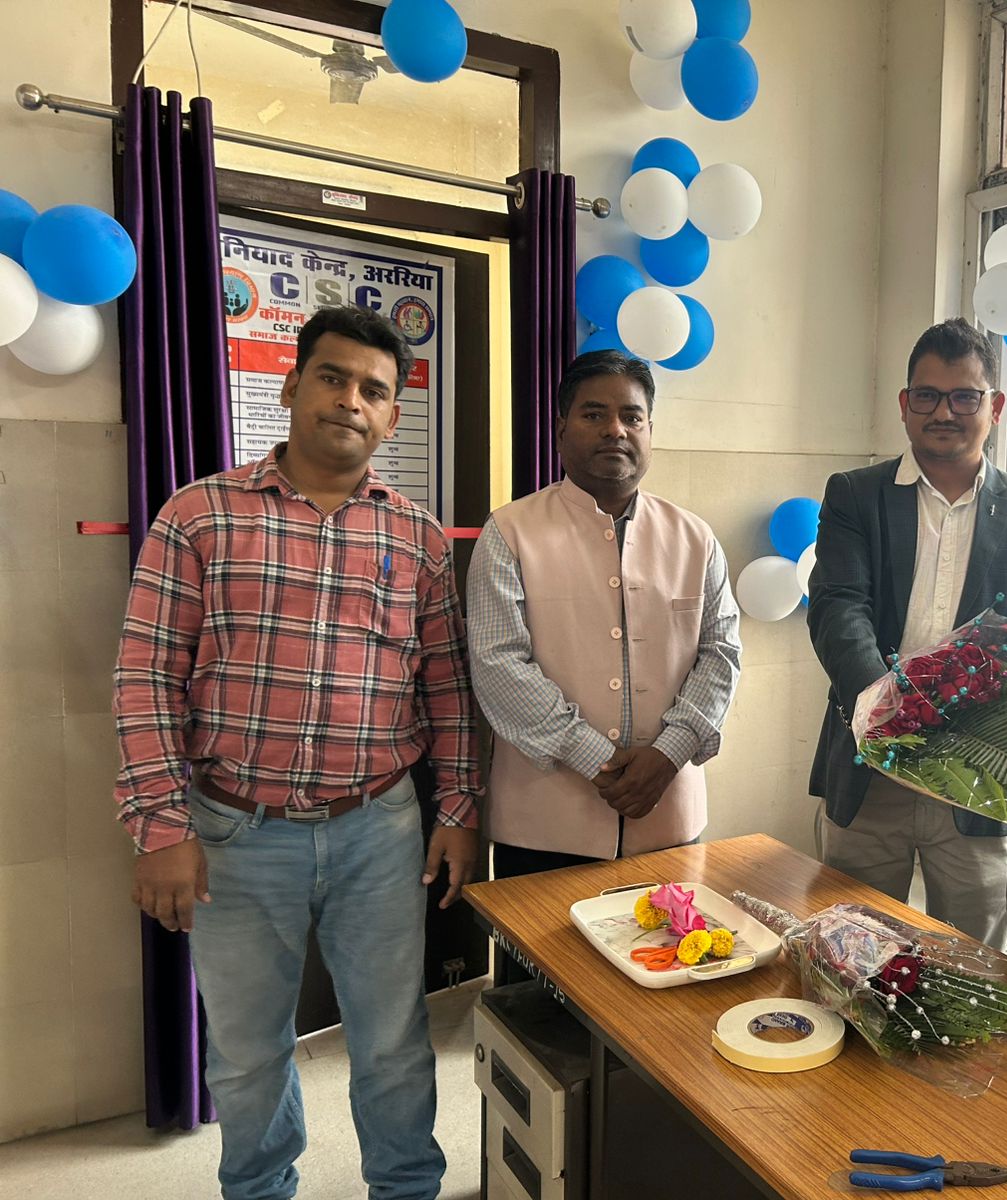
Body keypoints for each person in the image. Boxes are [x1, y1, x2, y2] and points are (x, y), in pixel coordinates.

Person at [114, 305, 481, 1200]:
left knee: (393, 1041)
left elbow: (446, 687)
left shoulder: (418, 538)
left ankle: (406, 1188)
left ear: (392, 417)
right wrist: (161, 828)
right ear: (291, 386)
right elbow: (145, 676)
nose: (350, 401)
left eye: (373, 391)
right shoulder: (199, 515)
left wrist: (459, 810)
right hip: (235, 834)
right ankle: (260, 1190)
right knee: (246, 1053)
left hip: (379, 828)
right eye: (332, 377)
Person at [807, 318, 1007, 949]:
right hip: (871, 768)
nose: (944, 412)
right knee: (852, 952)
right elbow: (838, 607)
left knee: (973, 962)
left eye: (964, 396)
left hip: (978, 779)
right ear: (904, 404)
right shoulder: (855, 495)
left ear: (995, 406)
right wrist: (889, 708)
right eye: (928, 395)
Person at [466, 350, 740, 897]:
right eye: (594, 414)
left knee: (667, 948)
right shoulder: (510, 532)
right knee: (540, 956)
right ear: (560, 430)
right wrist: (595, 758)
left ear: (649, 431)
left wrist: (669, 752)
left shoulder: (695, 538)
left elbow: (721, 654)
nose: (615, 429)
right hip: (544, 827)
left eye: (631, 416)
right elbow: (498, 665)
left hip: (667, 815)